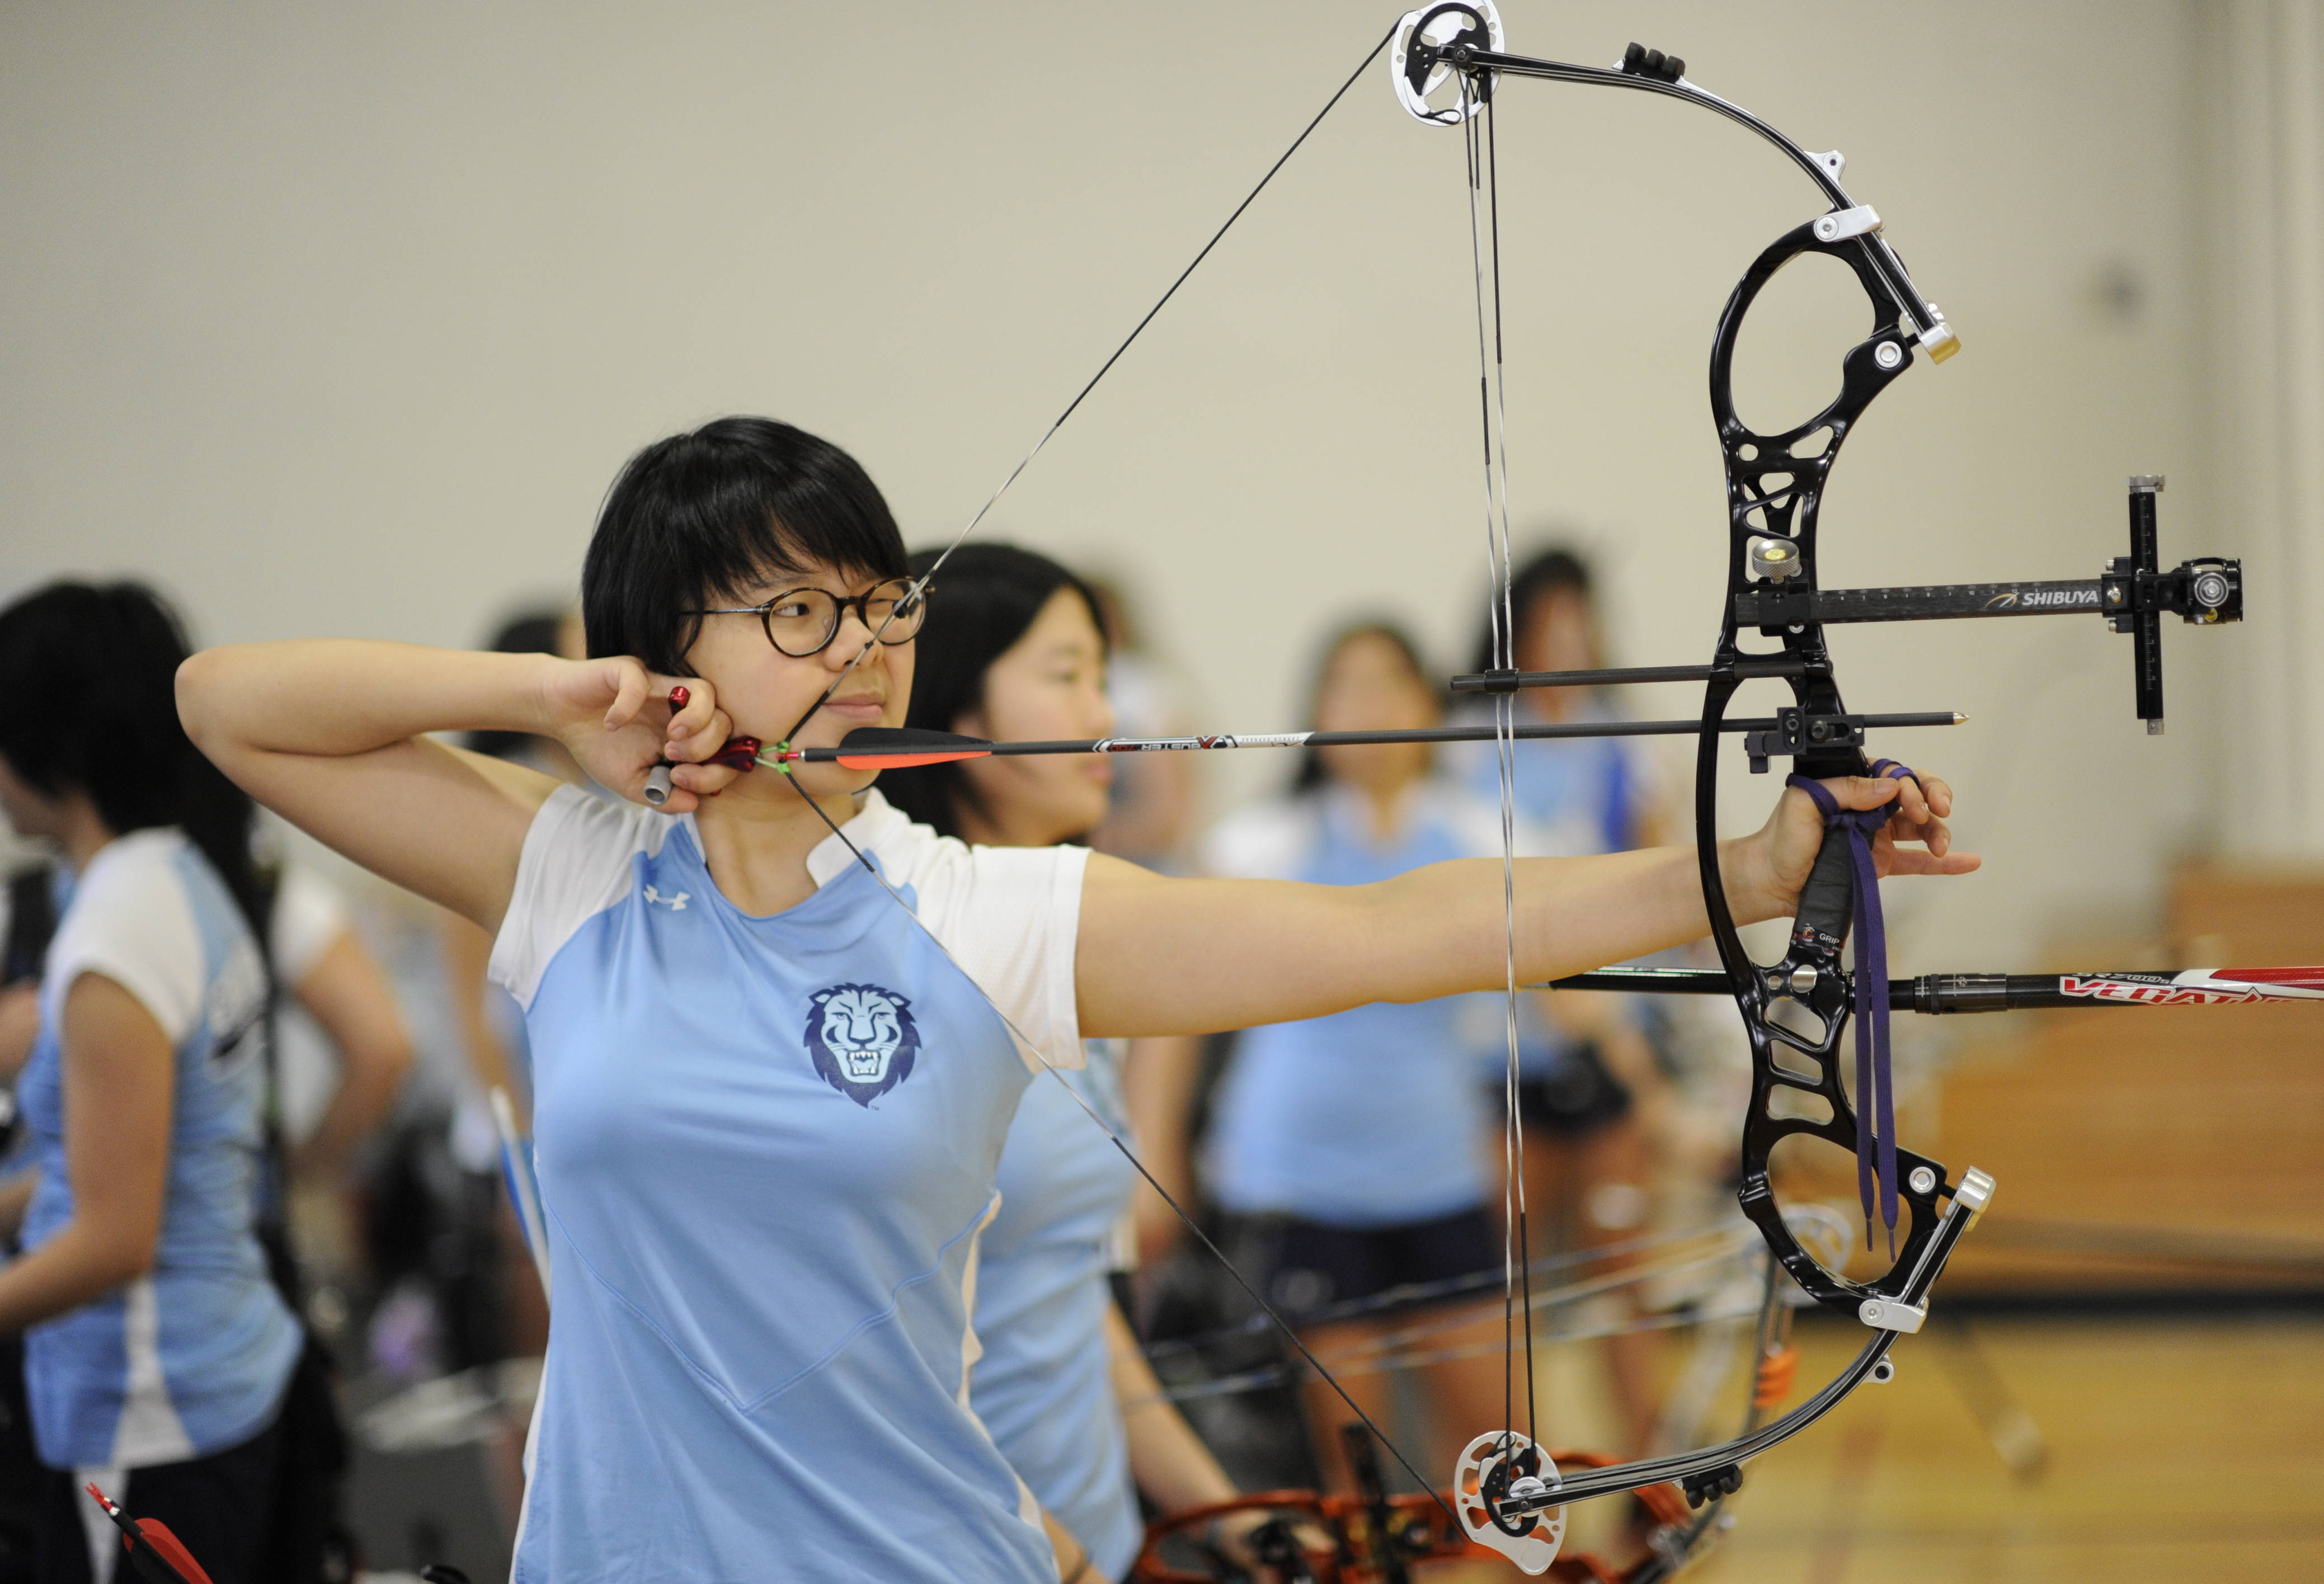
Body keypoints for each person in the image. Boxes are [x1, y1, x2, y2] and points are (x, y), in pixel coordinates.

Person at [174, 415, 1973, 1583]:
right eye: (793, 611)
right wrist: (560, 696)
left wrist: (1754, 868)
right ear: (674, 648)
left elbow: (1399, 931)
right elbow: (227, 703)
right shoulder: (565, 872)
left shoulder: (991, 918)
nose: (859, 646)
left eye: (873, 606)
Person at [874, 541, 1259, 1583]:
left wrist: (1226, 1515)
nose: (1105, 715)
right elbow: (870, 1378)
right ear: (955, 714)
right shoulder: (895, 982)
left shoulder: (1060, 942)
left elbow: (1066, 1299)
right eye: (1066, 676)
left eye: (1103, 676)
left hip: (1094, 1544)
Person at [0, 584, 318, 1583]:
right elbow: (129, 1162)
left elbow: (112, 1236)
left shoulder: (109, 937)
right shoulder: (177, 872)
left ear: (46, 745)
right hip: (219, 1375)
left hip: (151, 1416)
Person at [1198, 620, 1538, 1492]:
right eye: (1346, 685)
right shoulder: (1257, 846)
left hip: (1436, 1171)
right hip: (1298, 1179)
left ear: (1427, 703)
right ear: (1315, 712)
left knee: (1494, 1453)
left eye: (1390, 683)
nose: (1371, 707)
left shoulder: (1488, 837)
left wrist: (1650, 1098)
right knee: (1359, 1466)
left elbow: (1564, 997)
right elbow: (1180, 1020)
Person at [1452, 547, 1679, 1448]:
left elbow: (1666, 882)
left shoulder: (1619, 739)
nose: (1565, 639)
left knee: (1622, 1264)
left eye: (1577, 619)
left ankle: (1648, 1472)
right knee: (1498, 1285)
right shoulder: (1467, 737)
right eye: (1547, 620)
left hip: (1614, 1039)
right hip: (1503, 1056)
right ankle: (1512, 1477)